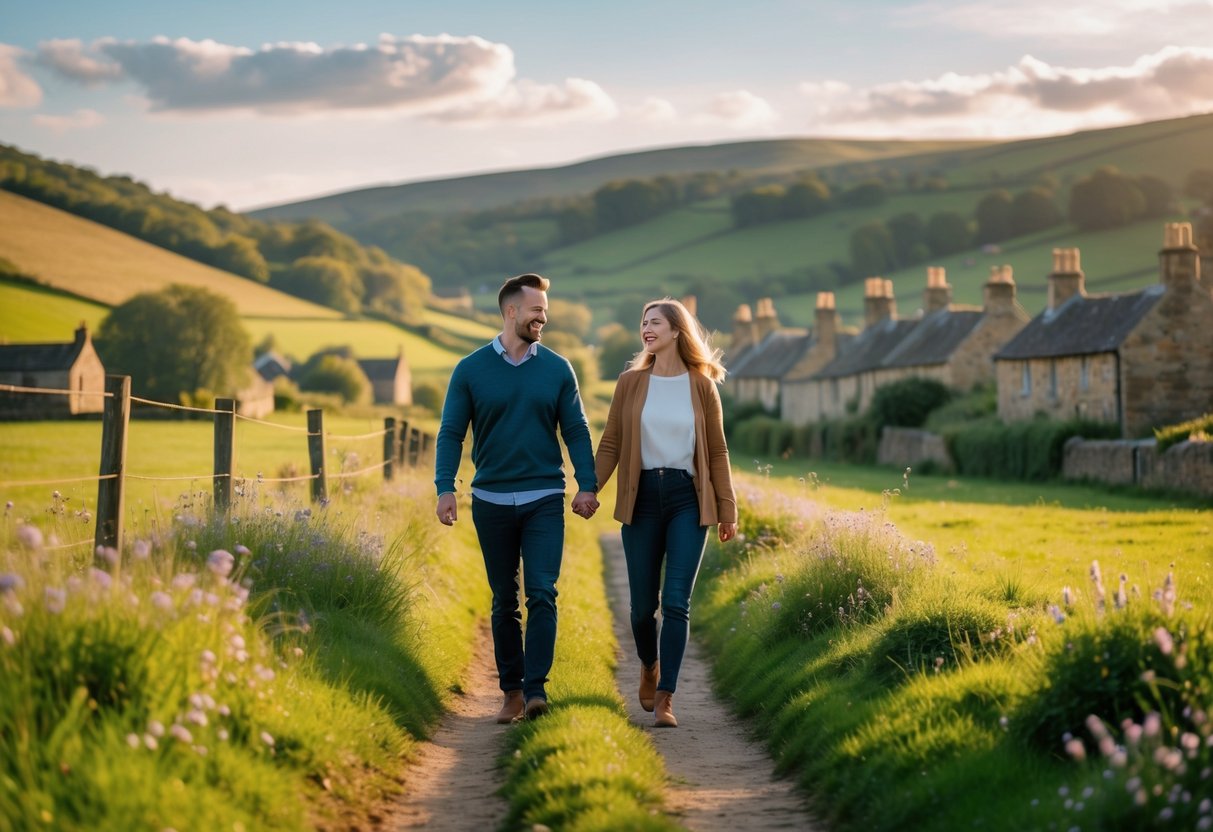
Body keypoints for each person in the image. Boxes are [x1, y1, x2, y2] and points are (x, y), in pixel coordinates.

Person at [435, 273, 600, 724]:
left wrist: (587, 484)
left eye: (545, 310)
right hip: (489, 499)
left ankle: (535, 691)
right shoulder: (469, 370)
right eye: (537, 310)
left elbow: (577, 430)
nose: (543, 317)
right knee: (503, 598)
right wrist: (445, 487)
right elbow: (451, 432)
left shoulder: (557, 368)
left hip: (545, 496)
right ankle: (510, 691)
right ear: (511, 311)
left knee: (542, 593)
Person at [594, 298, 737, 728]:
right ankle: (648, 664)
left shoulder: (702, 386)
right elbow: (612, 444)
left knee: (676, 602)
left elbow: (717, 451)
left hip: (687, 500)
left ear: (677, 330)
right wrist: (588, 489)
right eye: (643, 322)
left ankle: (665, 698)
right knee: (642, 608)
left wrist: (727, 508)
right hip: (641, 499)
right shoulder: (630, 383)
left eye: (655, 322)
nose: (646, 329)